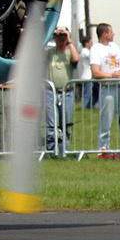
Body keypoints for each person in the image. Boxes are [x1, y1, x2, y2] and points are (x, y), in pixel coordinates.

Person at [89, 23, 120, 155]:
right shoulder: (96, 49)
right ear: (104, 34)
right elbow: (96, 72)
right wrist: (112, 76)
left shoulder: (114, 46)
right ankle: (103, 151)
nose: (113, 34)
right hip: (108, 88)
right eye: (111, 32)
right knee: (106, 122)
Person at [44, 27, 80, 156]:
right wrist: (51, 35)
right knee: (51, 125)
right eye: (57, 36)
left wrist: (69, 40)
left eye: (62, 35)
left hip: (67, 92)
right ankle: (52, 151)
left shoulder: (70, 52)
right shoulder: (49, 52)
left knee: (66, 123)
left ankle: (64, 151)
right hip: (50, 92)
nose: (60, 38)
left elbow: (76, 59)